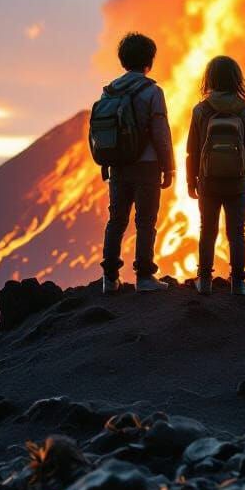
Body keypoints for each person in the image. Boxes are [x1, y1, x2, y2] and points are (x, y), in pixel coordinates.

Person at [99, 32, 175, 294]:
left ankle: (110, 279)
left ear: (123, 60)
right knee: (145, 221)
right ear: (149, 61)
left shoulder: (109, 91)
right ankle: (144, 277)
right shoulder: (152, 92)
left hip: (118, 166)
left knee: (116, 220)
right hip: (147, 165)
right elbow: (161, 133)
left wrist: (107, 162)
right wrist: (169, 166)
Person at [186, 55, 245, 296]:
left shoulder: (201, 110)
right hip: (238, 182)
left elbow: (192, 150)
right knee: (236, 232)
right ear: (236, 79)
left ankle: (205, 281)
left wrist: (191, 181)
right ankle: (238, 283)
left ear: (209, 79)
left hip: (208, 181)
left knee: (207, 230)